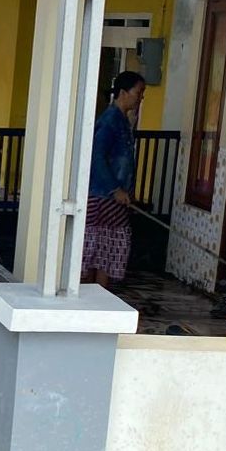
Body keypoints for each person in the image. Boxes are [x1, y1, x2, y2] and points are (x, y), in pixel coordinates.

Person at [83, 71, 145, 288]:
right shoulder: (109, 121)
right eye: (138, 92)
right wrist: (114, 189)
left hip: (114, 198)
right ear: (123, 92)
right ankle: (91, 299)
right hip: (101, 198)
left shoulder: (122, 122)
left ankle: (99, 298)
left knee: (106, 254)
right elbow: (96, 157)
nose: (140, 98)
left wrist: (126, 190)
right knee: (96, 252)